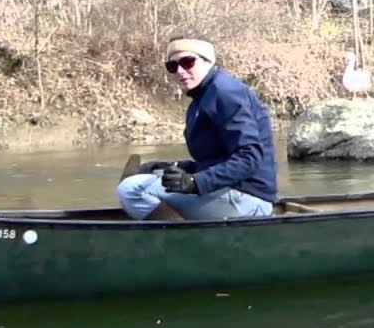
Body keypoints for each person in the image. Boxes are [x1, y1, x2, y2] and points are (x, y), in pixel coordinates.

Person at [117, 36, 278, 220]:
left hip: (249, 199)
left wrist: (194, 182)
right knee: (148, 180)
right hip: (229, 192)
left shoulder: (225, 93)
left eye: (187, 62)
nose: (180, 71)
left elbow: (249, 157)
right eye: (172, 66)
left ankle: (180, 243)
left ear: (207, 61)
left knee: (131, 190)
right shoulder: (202, 98)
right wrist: (171, 168)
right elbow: (216, 160)